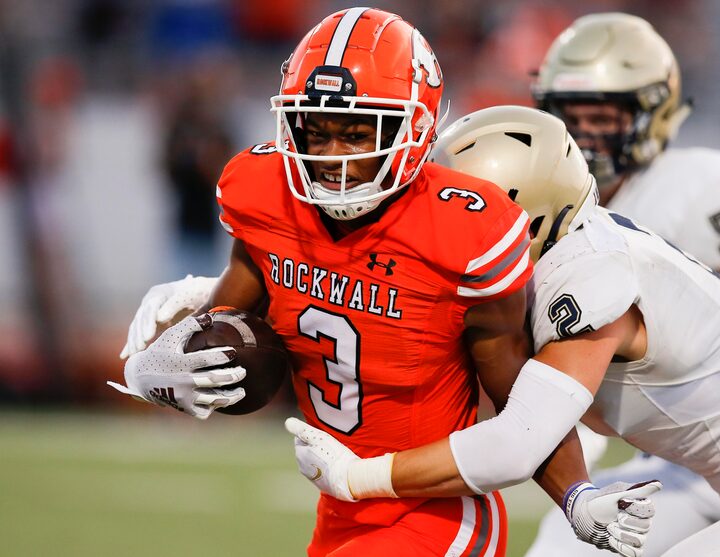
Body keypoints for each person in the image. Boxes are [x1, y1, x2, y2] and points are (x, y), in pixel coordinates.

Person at [110, 8, 647, 556]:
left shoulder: (464, 231)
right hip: (338, 509)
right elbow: (228, 338)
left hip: (436, 514)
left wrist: (576, 495)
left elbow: (518, 395)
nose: (331, 157)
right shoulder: (264, 195)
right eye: (315, 131)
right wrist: (159, 367)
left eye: (356, 132)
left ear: (413, 128)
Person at [285, 105, 720, 557]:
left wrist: (360, 477)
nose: (435, 228)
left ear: (523, 215)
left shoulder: (587, 275)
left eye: (457, 212)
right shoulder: (567, 249)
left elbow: (518, 442)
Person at [523, 13, 720, 555]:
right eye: (569, 116)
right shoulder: (544, 198)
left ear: (653, 111)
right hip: (645, 443)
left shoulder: (694, 188)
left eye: (601, 116)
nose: (583, 135)